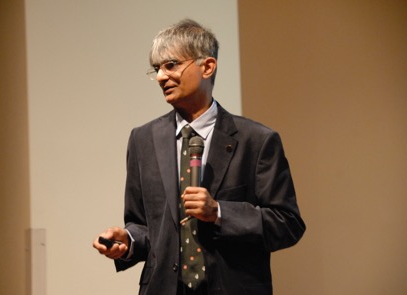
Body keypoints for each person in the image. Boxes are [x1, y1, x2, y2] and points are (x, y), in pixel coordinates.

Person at [93, 19, 305, 295]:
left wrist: (219, 212)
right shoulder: (143, 139)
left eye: (171, 65)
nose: (160, 77)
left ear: (207, 67)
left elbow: (287, 224)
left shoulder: (257, 140)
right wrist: (128, 240)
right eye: (156, 69)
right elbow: (145, 227)